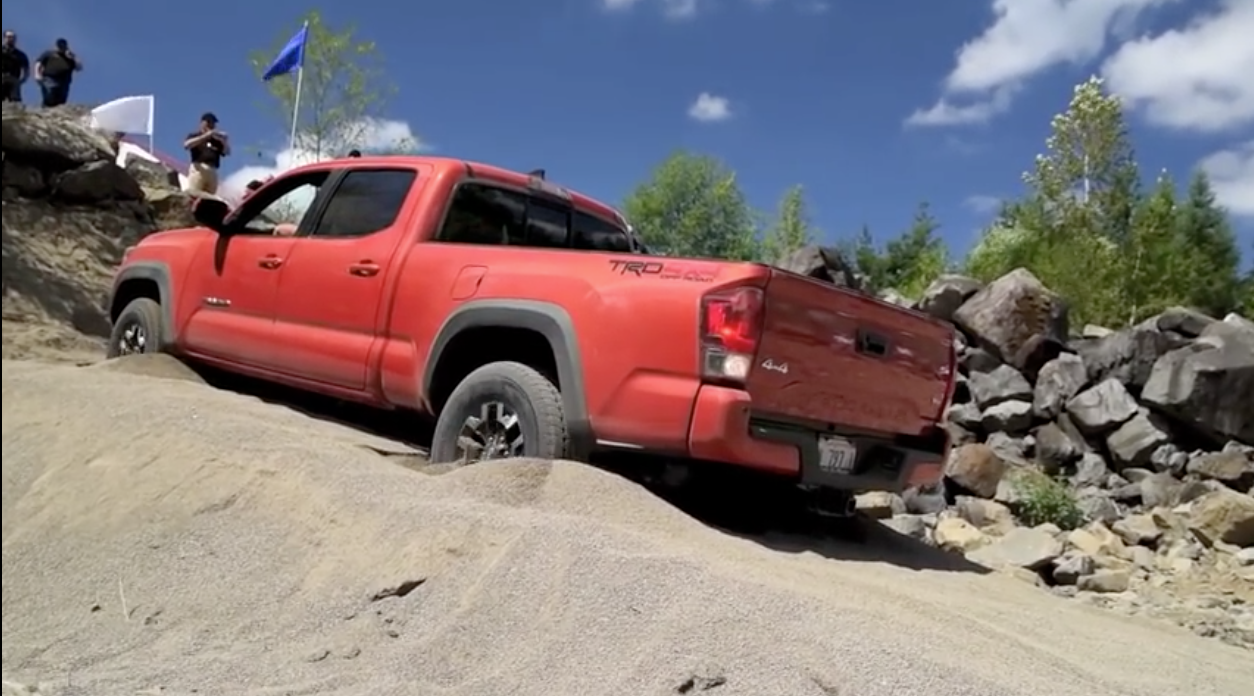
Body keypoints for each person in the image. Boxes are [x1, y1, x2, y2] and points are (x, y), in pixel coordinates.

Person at [182, 112, 230, 195]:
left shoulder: (216, 141)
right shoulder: (195, 135)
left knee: (210, 198)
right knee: (195, 193)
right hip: (199, 168)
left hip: (213, 169)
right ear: (202, 123)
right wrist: (205, 136)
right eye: (208, 122)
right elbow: (187, 144)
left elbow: (227, 152)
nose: (211, 125)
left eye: (213, 123)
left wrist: (224, 141)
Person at [33, 38, 81, 107]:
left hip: (64, 81)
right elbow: (38, 63)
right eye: (60, 46)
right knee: (50, 95)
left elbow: (79, 68)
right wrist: (37, 74)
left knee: (61, 100)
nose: (61, 48)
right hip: (50, 78)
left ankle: (57, 113)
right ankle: (46, 109)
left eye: (63, 46)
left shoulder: (69, 57)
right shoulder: (48, 54)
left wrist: (73, 58)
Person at [1, 30, 29, 103]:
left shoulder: (20, 55)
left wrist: (22, 80)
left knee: (15, 102)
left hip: (14, 79)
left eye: (13, 37)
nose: (11, 39)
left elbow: (26, 68)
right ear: (4, 38)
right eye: (9, 37)